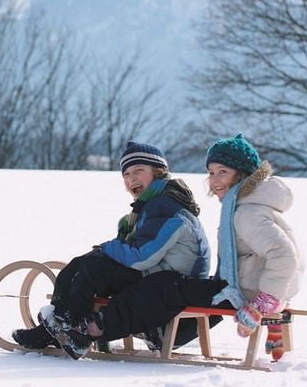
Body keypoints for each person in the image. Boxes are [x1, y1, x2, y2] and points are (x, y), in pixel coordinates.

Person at [47, 133, 304, 361]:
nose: (214, 180)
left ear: (243, 175)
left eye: (222, 172)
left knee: (163, 286)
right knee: (166, 286)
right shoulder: (244, 208)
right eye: (211, 172)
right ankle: (79, 327)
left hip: (247, 293)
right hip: (245, 287)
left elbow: (285, 256)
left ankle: (92, 329)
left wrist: (262, 303)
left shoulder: (246, 213)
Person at [13, 141, 212, 358]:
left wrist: (108, 248)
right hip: (158, 274)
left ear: (158, 172)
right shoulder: (153, 205)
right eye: (126, 174)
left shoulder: (166, 206)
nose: (131, 178)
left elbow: (141, 256)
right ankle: (59, 328)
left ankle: (70, 329)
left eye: (138, 171)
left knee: (93, 267)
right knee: (83, 264)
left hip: (170, 285)